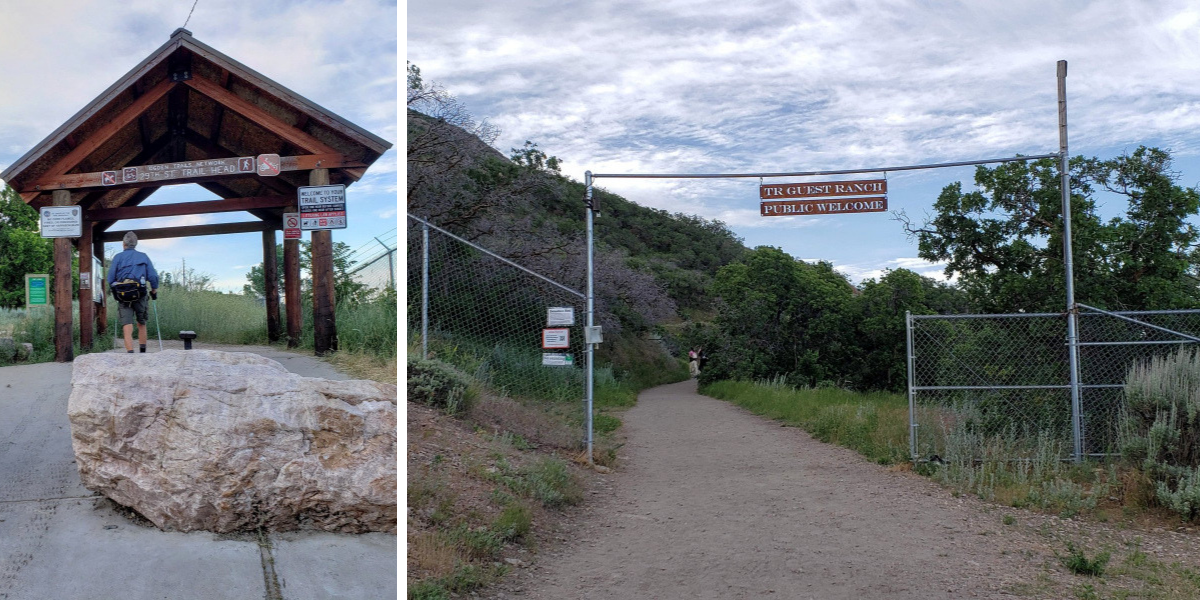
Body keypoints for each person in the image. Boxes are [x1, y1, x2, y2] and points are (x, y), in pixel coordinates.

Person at [107, 232, 159, 353]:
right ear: (135, 244)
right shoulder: (143, 256)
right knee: (141, 322)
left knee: (127, 323)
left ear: (123, 244)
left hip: (123, 295)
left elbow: (110, 278)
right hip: (140, 294)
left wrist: (116, 288)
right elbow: (153, 276)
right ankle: (142, 352)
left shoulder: (118, 257)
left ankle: (130, 353)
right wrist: (154, 289)